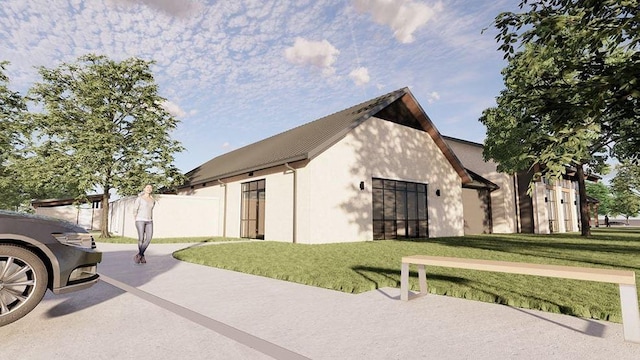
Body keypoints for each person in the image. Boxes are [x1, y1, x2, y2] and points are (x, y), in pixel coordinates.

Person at [133, 184, 156, 264]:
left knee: (149, 238)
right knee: (141, 238)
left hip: (149, 220)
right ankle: (142, 257)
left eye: (150, 187)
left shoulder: (153, 200)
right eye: (147, 187)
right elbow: (135, 209)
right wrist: (136, 218)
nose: (149, 189)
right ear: (144, 189)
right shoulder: (139, 199)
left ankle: (139, 255)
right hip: (140, 220)